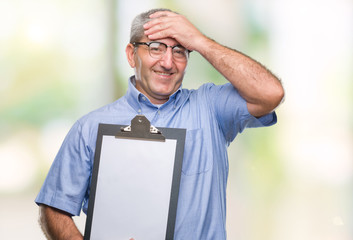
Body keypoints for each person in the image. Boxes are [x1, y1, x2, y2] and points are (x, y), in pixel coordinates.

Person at [35, 8, 284, 240]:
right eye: (156, 48)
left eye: (179, 51)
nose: (168, 62)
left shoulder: (211, 108)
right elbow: (53, 209)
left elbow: (270, 93)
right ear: (132, 55)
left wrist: (199, 41)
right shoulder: (89, 128)